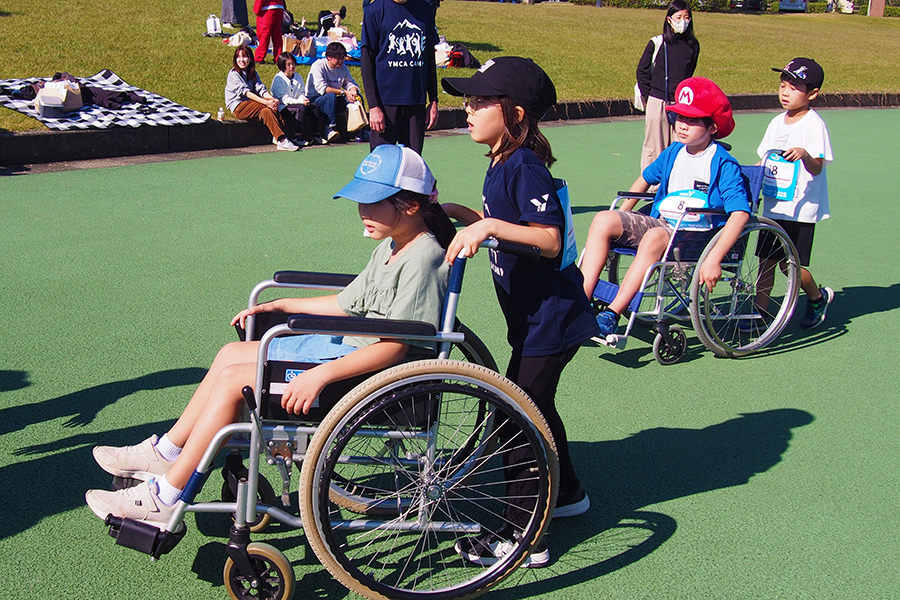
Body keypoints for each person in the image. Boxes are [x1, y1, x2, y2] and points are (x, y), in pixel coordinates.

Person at [84, 144, 456, 530]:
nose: (362, 211)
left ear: (410, 206)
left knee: (234, 380)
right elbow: (348, 303)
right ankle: (167, 452)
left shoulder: (422, 258)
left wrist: (320, 376)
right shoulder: (392, 247)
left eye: (373, 202)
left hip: (366, 376)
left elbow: (397, 346)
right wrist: (281, 305)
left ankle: (165, 497)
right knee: (232, 353)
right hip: (348, 348)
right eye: (359, 200)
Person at [440, 57, 597, 568]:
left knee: (517, 418)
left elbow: (549, 240)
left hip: (552, 318)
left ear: (515, 113)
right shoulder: (500, 162)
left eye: (481, 102)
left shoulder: (525, 165)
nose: (468, 109)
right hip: (533, 319)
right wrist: (467, 217)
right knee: (537, 408)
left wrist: (486, 230)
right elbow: (503, 221)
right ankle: (569, 493)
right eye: (469, 100)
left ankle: (524, 535)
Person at [580, 77, 750, 338]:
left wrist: (715, 258)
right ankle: (580, 303)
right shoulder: (673, 152)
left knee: (655, 236)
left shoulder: (724, 164)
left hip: (697, 235)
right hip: (664, 223)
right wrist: (622, 216)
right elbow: (644, 181)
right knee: (604, 219)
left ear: (713, 127)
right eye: (679, 118)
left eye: (692, 120)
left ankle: (612, 313)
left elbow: (740, 214)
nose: (682, 125)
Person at [756, 58, 834, 329]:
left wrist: (804, 155)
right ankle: (760, 314)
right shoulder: (777, 122)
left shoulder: (814, 125)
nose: (785, 92)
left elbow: (817, 167)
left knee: (790, 266)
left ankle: (816, 297)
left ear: (812, 94)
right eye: (782, 85)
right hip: (774, 206)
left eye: (794, 87)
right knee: (765, 262)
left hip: (801, 209)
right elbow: (764, 160)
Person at [361, 0, 438, 154]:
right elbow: (367, 62)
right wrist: (374, 106)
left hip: (415, 101)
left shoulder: (425, 9)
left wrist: (433, 100)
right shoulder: (374, 10)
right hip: (385, 104)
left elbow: (430, 58)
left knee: (412, 166)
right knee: (381, 164)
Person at [636, 0, 700, 172]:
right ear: (669, 20)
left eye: (687, 17)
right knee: (654, 145)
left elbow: (689, 74)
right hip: (658, 100)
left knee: (680, 145)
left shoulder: (693, 45)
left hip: (681, 104)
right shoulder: (658, 42)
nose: (683, 21)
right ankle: (652, 187)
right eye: (678, 17)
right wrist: (650, 97)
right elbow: (642, 71)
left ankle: (676, 180)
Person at [225, 45, 299, 151]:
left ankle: (279, 137)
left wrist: (272, 100)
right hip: (238, 107)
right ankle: (282, 140)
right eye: (239, 57)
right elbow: (247, 93)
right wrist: (266, 102)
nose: (241, 60)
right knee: (265, 106)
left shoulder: (253, 73)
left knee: (266, 112)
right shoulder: (234, 74)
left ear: (250, 59)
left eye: (245, 57)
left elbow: (261, 89)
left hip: (253, 105)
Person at [305, 42, 361, 143]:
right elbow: (322, 89)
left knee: (357, 97)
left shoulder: (343, 68)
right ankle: (329, 129)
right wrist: (344, 92)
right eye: (338, 58)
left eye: (342, 58)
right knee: (330, 96)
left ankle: (361, 131)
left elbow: (351, 83)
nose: (341, 61)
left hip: (333, 100)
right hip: (316, 100)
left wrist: (353, 91)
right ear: (329, 57)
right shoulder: (318, 66)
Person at [271, 52, 327, 146]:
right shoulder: (278, 79)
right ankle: (296, 136)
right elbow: (284, 99)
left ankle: (317, 135)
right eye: (288, 64)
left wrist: (304, 99)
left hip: (297, 103)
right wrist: (300, 102)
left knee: (313, 107)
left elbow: (301, 92)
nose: (292, 66)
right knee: (300, 108)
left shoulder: (298, 77)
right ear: (283, 66)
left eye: (293, 64)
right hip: (283, 106)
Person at [253, 0, 285, 64]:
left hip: (267, 8)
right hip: (279, 7)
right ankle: (278, 58)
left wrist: (256, 9)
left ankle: (260, 57)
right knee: (277, 35)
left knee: (264, 34)